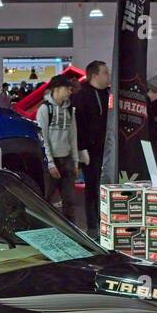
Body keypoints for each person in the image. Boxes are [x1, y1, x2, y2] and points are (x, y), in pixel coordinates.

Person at [71, 60, 109, 235]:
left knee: (103, 185)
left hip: (105, 148)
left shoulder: (106, 94)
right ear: (95, 75)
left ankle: (105, 220)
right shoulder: (82, 96)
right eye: (105, 73)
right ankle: (93, 224)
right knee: (92, 186)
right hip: (90, 149)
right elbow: (78, 124)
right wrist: (82, 148)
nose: (108, 76)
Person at [37, 75, 78, 224]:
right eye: (66, 89)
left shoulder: (69, 110)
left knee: (69, 201)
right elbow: (43, 138)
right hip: (52, 160)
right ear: (56, 89)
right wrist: (50, 163)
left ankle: (73, 233)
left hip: (66, 159)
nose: (69, 92)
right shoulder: (44, 109)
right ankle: (45, 229)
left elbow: (73, 135)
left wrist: (75, 160)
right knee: (46, 199)